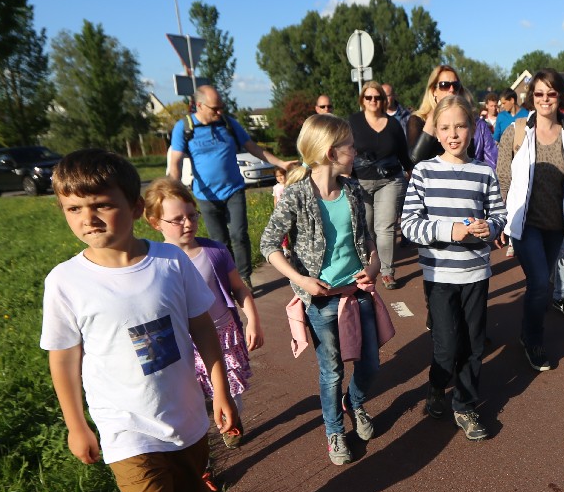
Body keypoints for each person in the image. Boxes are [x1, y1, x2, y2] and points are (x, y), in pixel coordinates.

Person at [42, 148, 240, 492]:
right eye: (74, 208)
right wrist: (76, 425)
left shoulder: (170, 261)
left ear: (134, 208)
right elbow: (64, 360)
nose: (88, 218)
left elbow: (202, 327)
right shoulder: (66, 282)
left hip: (185, 415)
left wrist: (221, 390)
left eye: (101, 205)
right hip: (125, 426)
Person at [259, 114, 390, 466]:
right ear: (331, 153)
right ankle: (334, 430)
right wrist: (301, 280)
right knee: (331, 371)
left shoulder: (353, 190)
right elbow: (268, 244)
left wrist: (374, 266)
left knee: (371, 364)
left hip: (357, 293)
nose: (355, 151)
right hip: (321, 302)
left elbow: (367, 240)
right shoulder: (297, 195)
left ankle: (354, 402)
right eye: (350, 146)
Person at [401, 95, 506, 441]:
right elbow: (409, 225)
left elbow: (499, 215)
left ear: (473, 128)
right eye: (445, 127)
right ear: (436, 131)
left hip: (475, 272)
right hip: (439, 274)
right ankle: (436, 385)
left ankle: (465, 405)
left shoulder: (484, 172)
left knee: (473, 345)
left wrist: (489, 228)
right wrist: (449, 230)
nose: (453, 134)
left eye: (461, 126)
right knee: (447, 346)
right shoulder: (424, 171)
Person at [143, 177, 262, 450]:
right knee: (190, 396)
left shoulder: (214, 251)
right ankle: (198, 445)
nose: (188, 223)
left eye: (192, 215)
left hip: (221, 333)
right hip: (182, 341)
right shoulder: (154, 262)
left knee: (228, 387)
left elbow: (238, 288)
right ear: (155, 223)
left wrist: (253, 321)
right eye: (177, 219)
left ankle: (230, 420)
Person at [497, 68, 564, 372]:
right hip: (525, 224)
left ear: (560, 96)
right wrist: (500, 218)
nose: (545, 99)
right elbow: (503, 178)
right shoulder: (516, 131)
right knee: (541, 282)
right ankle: (534, 340)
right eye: (539, 93)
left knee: (539, 285)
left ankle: (526, 331)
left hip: (557, 226)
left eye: (551, 93)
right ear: (532, 96)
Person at [166, 84, 292, 283]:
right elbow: (176, 163)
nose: (219, 112)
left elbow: (253, 148)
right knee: (219, 242)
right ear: (199, 105)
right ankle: (228, 280)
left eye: (221, 107)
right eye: (215, 108)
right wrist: (172, 193)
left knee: (239, 235)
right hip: (206, 196)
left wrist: (281, 163)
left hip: (234, 190)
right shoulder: (185, 128)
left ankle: (244, 278)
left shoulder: (228, 124)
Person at [349, 81, 414, 290]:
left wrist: (412, 172)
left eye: (377, 97)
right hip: (360, 181)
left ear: (383, 100)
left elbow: (403, 153)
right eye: (369, 97)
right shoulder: (353, 122)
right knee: (366, 227)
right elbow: (344, 149)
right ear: (362, 100)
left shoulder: (393, 124)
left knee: (385, 227)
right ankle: (367, 266)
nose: (373, 101)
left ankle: (387, 272)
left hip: (390, 180)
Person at [408, 64, 477, 164]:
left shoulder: (465, 119)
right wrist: (432, 121)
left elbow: (470, 155)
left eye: (456, 85)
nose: (451, 89)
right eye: (444, 85)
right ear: (433, 91)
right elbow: (413, 160)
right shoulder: (417, 120)